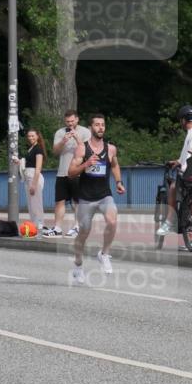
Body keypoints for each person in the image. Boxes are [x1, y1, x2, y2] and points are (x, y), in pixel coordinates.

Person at [68, 114, 127, 284]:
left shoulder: (111, 149)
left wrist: (118, 182)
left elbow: (115, 165)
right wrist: (86, 164)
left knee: (112, 221)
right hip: (86, 198)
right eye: (97, 125)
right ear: (90, 128)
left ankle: (104, 254)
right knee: (83, 233)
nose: (100, 127)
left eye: (103, 125)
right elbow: (71, 173)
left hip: (104, 195)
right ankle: (78, 266)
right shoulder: (82, 149)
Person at [156, 105, 192, 237]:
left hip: (189, 173)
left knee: (173, 187)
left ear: (183, 120)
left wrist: (182, 166)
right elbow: (187, 154)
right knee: (190, 197)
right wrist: (178, 161)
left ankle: (169, 221)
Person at [45, 110, 91, 238]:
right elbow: (55, 151)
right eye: (67, 122)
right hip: (62, 172)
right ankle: (57, 228)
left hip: (78, 172)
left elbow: (88, 151)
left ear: (77, 119)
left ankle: (77, 227)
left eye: (72, 121)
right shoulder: (60, 132)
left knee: (77, 201)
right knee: (59, 201)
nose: (70, 124)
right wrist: (63, 141)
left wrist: (77, 138)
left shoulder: (85, 132)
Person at [15, 128, 47, 231]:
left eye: (33, 136)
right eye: (29, 136)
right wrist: (19, 162)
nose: (31, 138)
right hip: (28, 177)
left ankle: (40, 224)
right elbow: (27, 164)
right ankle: (34, 224)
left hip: (34, 177)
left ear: (37, 136)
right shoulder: (31, 148)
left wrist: (34, 184)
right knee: (31, 204)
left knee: (36, 203)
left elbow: (38, 168)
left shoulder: (38, 149)